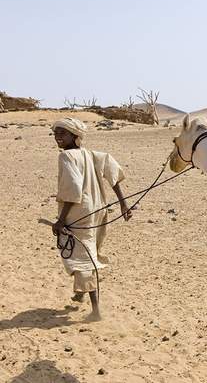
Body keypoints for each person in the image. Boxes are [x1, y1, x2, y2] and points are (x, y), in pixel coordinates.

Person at [51, 117, 132, 321]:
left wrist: (60, 220)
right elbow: (111, 172)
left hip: (79, 214)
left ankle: (96, 311)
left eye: (63, 133)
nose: (58, 137)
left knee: (84, 259)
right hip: (97, 209)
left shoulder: (67, 157)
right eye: (56, 133)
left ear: (76, 136)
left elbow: (73, 189)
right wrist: (123, 203)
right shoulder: (90, 154)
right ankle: (80, 292)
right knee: (87, 252)